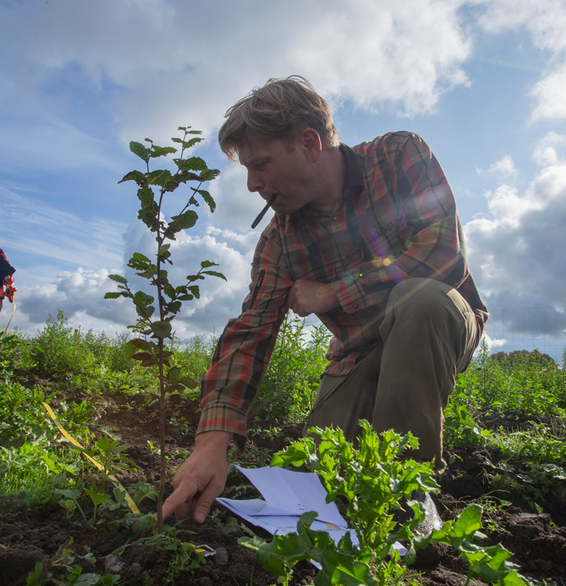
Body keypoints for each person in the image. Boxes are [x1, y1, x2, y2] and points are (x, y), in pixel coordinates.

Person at [160, 76, 488, 525]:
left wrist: (336, 291)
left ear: (310, 143)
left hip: (437, 320)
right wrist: (211, 442)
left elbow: (443, 256)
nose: (253, 184)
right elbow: (250, 334)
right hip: (355, 355)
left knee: (422, 300)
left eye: (261, 165)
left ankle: (410, 489)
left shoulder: (397, 156)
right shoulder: (279, 240)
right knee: (318, 473)